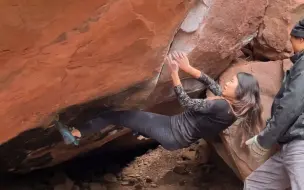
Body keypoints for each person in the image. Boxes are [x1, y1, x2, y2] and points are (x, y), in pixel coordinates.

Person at [55, 52, 262, 151]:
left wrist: (174, 72)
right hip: (175, 135)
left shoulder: (220, 105)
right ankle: (142, 132)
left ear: (240, 92)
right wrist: (188, 68)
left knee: (115, 115)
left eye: (233, 82)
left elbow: (187, 103)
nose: (228, 83)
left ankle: (75, 134)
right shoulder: (232, 108)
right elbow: (209, 81)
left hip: (171, 131)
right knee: (137, 122)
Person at [244, 19, 304, 190]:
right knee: (255, 185)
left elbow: (292, 102)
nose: (290, 45)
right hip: (290, 145)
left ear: (301, 39)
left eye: (292, 39)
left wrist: (265, 138)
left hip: (300, 144)